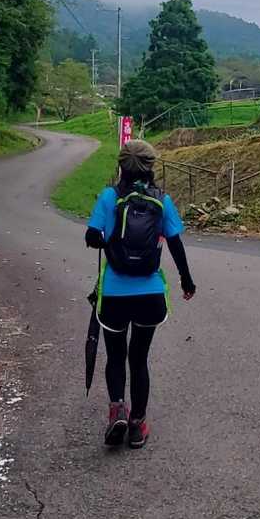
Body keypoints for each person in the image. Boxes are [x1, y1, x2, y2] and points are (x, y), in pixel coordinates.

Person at [86, 139, 196, 449]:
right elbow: (175, 244)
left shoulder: (109, 197)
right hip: (149, 294)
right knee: (139, 358)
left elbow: (91, 237)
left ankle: (117, 411)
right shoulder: (162, 200)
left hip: (114, 294)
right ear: (150, 166)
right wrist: (187, 281)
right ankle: (137, 424)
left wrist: (109, 243)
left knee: (116, 356)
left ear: (121, 165)